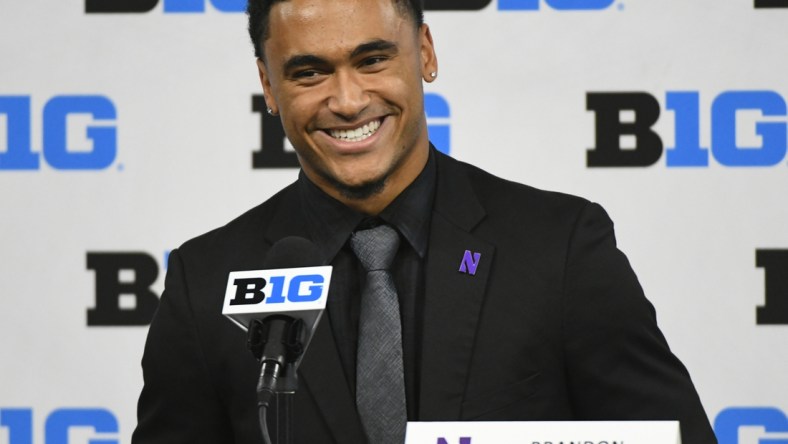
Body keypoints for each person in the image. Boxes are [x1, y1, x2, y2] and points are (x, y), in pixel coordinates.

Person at [132, 0, 718, 443]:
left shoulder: (559, 247)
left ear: (426, 54)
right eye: (309, 72)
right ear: (268, 86)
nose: (347, 99)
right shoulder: (204, 282)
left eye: (372, 59)